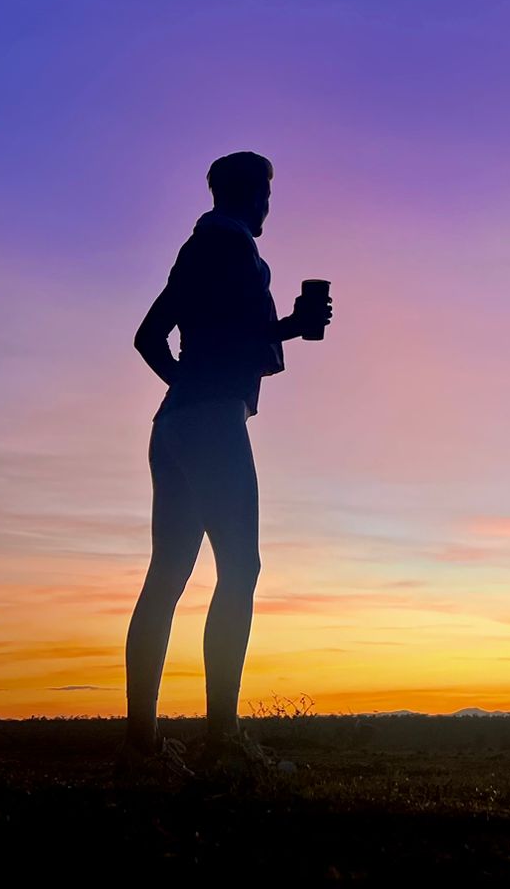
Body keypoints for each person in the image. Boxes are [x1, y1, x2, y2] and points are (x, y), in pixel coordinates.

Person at [121, 151, 331, 778]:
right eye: (264, 191)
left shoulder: (197, 248)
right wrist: (290, 325)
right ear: (242, 193)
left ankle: (142, 747)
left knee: (168, 577)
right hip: (211, 421)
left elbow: (148, 337)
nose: (270, 204)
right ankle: (224, 741)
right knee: (240, 569)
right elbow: (231, 338)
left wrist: (186, 383)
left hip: (175, 423)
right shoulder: (232, 247)